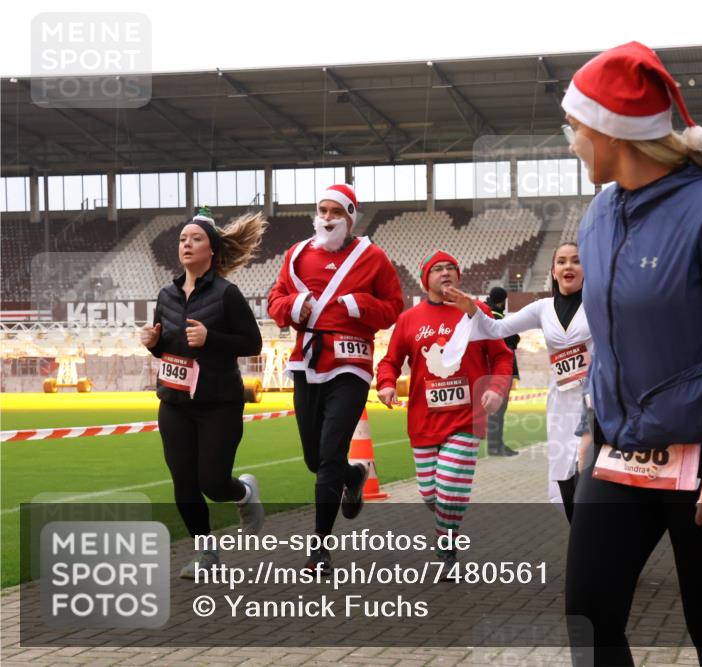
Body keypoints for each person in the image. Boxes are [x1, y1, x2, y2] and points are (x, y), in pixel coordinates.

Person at [560, 42, 702, 666]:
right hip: (622, 451)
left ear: (613, 133)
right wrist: (591, 426)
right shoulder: (599, 215)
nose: (571, 141)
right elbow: (608, 340)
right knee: (587, 614)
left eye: (576, 127)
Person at [268, 184, 404, 573]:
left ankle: (319, 548)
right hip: (306, 363)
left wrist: (359, 305)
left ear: (350, 218)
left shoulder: (372, 257)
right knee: (315, 458)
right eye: (322, 210)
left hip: (351, 367)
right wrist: (294, 305)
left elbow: (393, 307)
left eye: (336, 212)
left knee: (328, 454)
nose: (327, 217)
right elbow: (275, 301)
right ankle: (353, 474)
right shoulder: (295, 255)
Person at [140, 207, 267, 579]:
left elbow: (252, 343)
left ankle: (243, 492)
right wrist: (153, 342)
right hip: (174, 403)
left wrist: (212, 338)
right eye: (182, 239)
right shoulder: (166, 294)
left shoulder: (228, 294)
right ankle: (206, 554)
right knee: (184, 484)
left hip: (218, 404)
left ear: (211, 249)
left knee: (213, 482)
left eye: (195, 239)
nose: (187, 244)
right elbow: (170, 347)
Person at [375, 251, 513, 572]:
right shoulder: (409, 319)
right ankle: (446, 530)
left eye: (451, 267)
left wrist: (495, 389)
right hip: (424, 421)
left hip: (467, 416)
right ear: (426, 280)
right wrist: (386, 384)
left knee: (450, 484)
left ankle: (446, 551)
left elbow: (503, 357)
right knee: (429, 493)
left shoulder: (476, 312)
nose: (445, 273)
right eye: (437, 269)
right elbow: (390, 361)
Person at [443, 242, 591, 521]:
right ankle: (580, 539)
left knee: (590, 473)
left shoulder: (598, 305)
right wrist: (471, 308)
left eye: (575, 261)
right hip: (560, 404)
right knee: (564, 477)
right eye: (561, 261)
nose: (568, 266)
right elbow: (496, 329)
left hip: (594, 402)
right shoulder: (542, 308)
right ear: (554, 270)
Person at [484, 286, 520, 457]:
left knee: (496, 410)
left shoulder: (487, 314)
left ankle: (496, 444)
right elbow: (512, 338)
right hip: (500, 371)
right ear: (502, 301)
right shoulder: (496, 317)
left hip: (492, 370)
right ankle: (495, 446)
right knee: (498, 410)